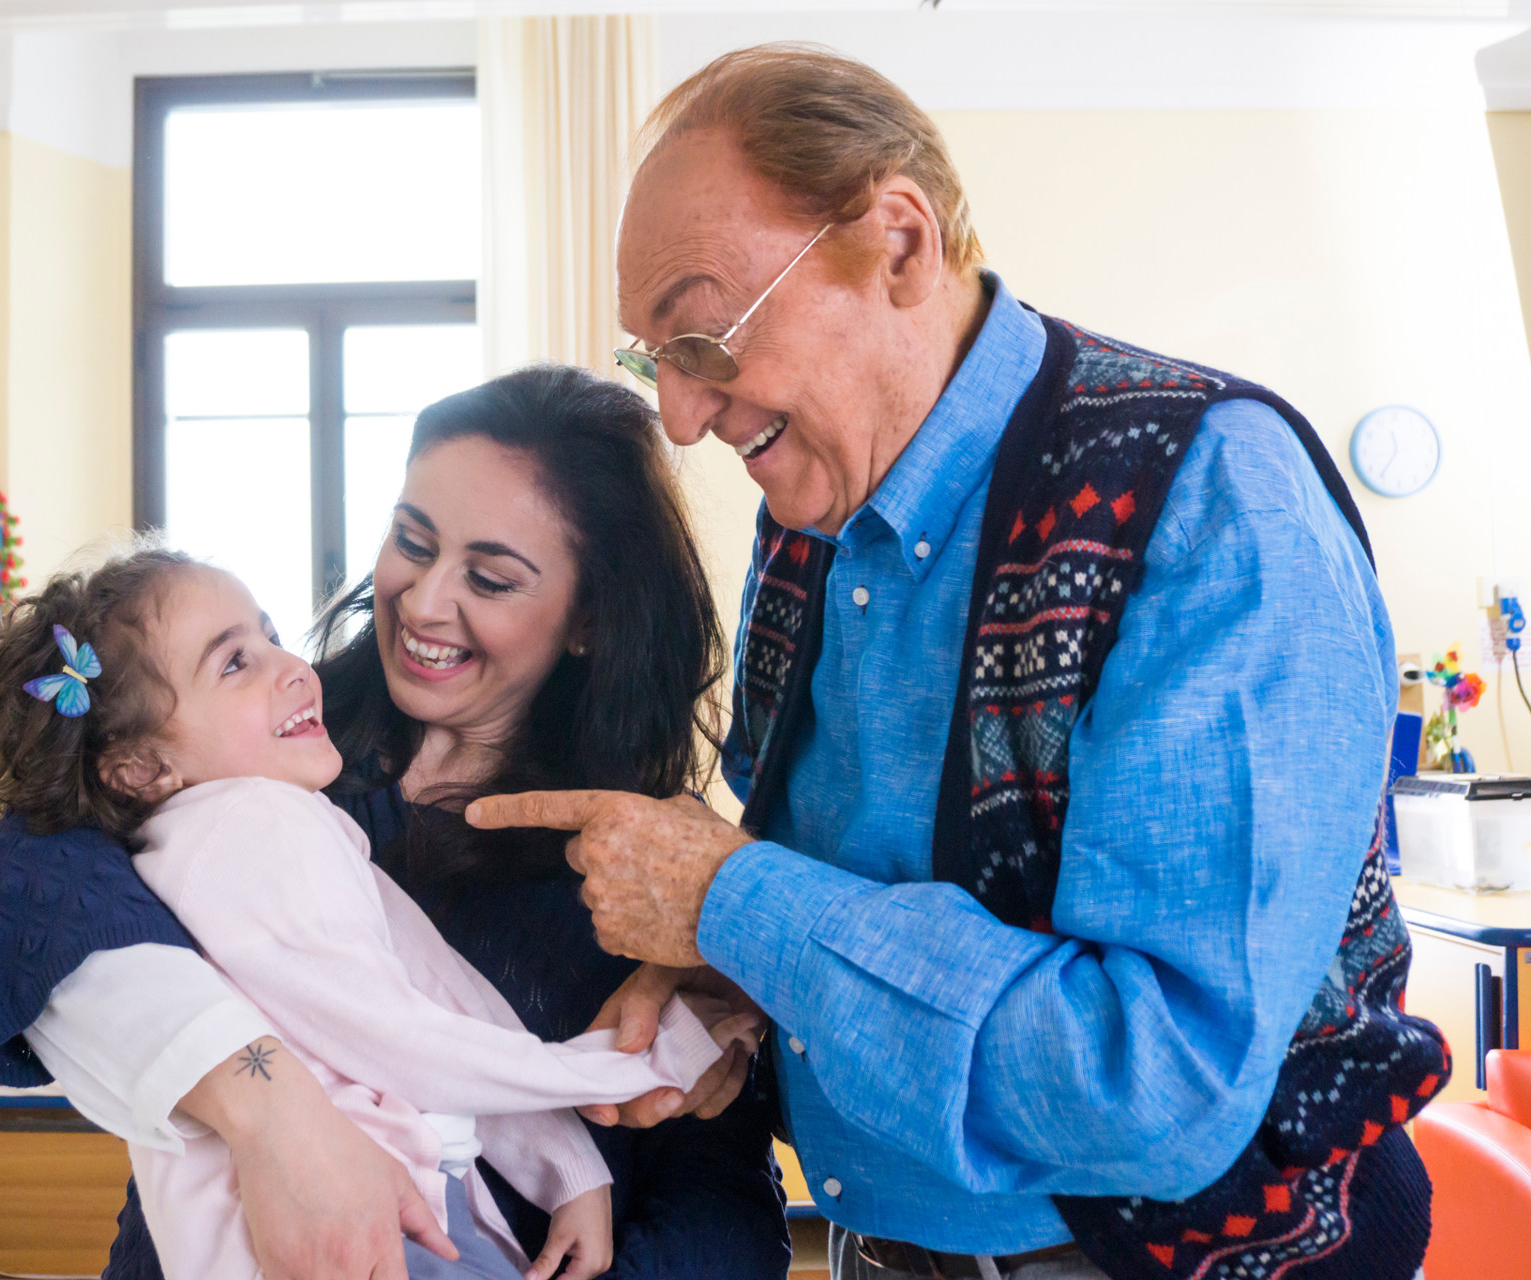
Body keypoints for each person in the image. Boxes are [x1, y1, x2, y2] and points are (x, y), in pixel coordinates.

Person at [467, 45, 1449, 1280]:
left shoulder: (1212, 499)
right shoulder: (809, 526)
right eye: (651, 357)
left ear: (899, 244)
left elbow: (1164, 1086)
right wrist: (736, 996)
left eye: (703, 336)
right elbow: (882, 912)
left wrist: (736, 905)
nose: (679, 414)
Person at [0, 364, 791, 1280]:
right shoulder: (260, 760)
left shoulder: (652, 859)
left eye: (492, 578)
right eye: (411, 541)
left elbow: (722, 1203)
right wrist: (272, 1111)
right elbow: (24, 885)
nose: (425, 601)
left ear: (589, 616)